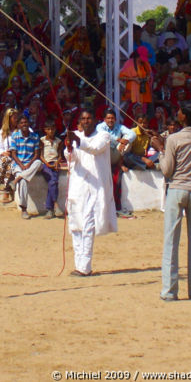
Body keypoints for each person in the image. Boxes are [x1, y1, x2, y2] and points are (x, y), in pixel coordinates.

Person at [157, 101, 191, 301]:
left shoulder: (173, 139)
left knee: (171, 241)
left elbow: (167, 170)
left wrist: (161, 150)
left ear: (184, 117)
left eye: (180, 111)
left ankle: (170, 291)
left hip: (177, 190)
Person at [65, 108, 117, 277]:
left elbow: (94, 148)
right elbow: (70, 158)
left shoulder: (103, 136)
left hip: (95, 187)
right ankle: (78, 263)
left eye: (89, 118)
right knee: (75, 225)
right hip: (78, 186)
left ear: (95, 120)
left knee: (88, 225)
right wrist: (69, 147)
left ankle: (85, 266)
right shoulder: (76, 136)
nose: (86, 121)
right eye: (83, 119)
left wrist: (78, 142)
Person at [10, 115, 42, 219]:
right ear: (18, 125)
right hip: (18, 164)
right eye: (22, 123)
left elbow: (37, 154)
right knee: (23, 182)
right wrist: (21, 165)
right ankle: (24, 209)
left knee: (38, 163)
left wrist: (28, 164)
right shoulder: (15, 136)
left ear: (29, 124)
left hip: (30, 163)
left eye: (26, 122)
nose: (24, 124)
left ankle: (16, 179)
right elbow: (13, 154)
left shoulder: (35, 136)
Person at [39, 117, 64, 219]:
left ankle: (49, 210)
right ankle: (56, 204)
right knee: (53, 181)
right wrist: (47, 164)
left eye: (52, 129)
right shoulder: (42, 140)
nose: (50, 131)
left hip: (55, 163)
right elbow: (40, 156)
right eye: (48, 129)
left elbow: (60, 155)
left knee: (53, 182)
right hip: (46, 164)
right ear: (45, 130)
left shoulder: (58, 141)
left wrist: (57, 162)